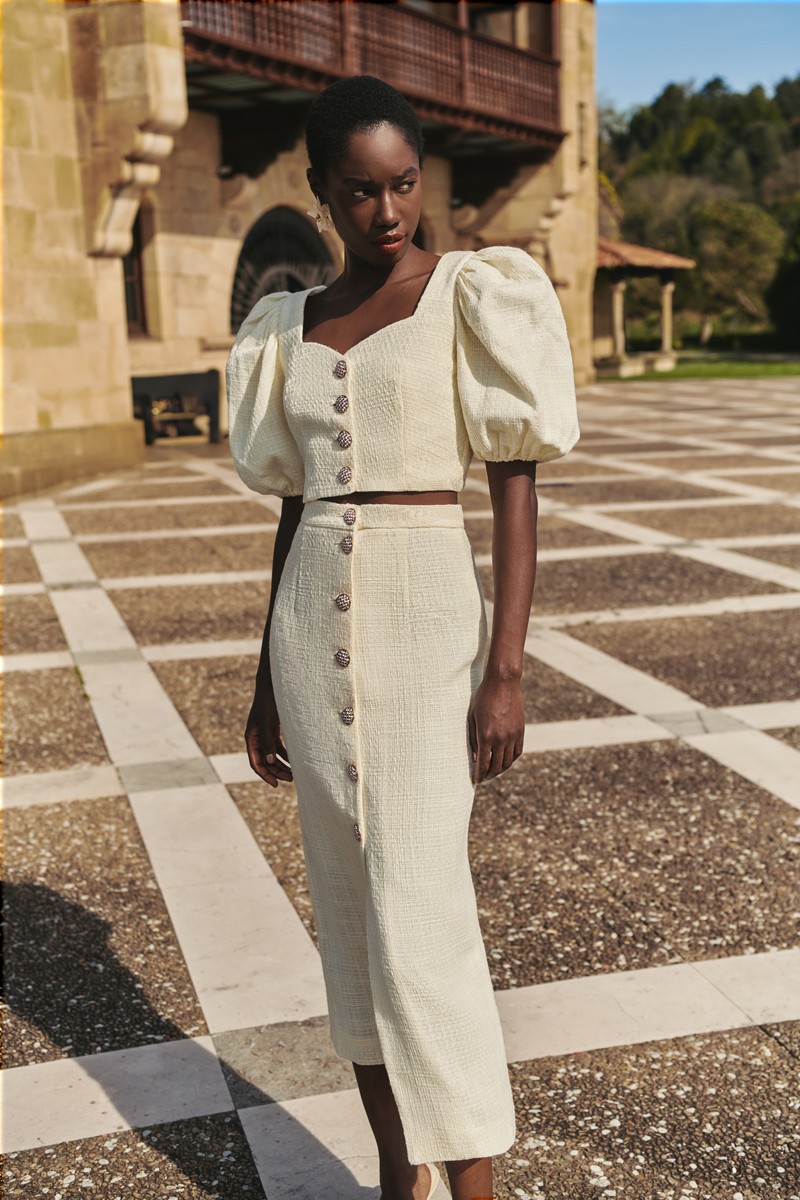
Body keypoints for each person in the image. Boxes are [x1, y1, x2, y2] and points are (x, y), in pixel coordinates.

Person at [226, 75, 579, 1200]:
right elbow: (296, 508)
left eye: (404, 184)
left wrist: (505, 670)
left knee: (423, 921)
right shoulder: (289, 324)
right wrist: (265, 681)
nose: (387, 212)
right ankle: (397, 1172)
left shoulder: (473, 294)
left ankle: (470, 1183)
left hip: (428, 627)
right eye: (360, 191)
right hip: (308, 627)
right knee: (349, 921)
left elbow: (515, 488)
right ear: (322, 191)